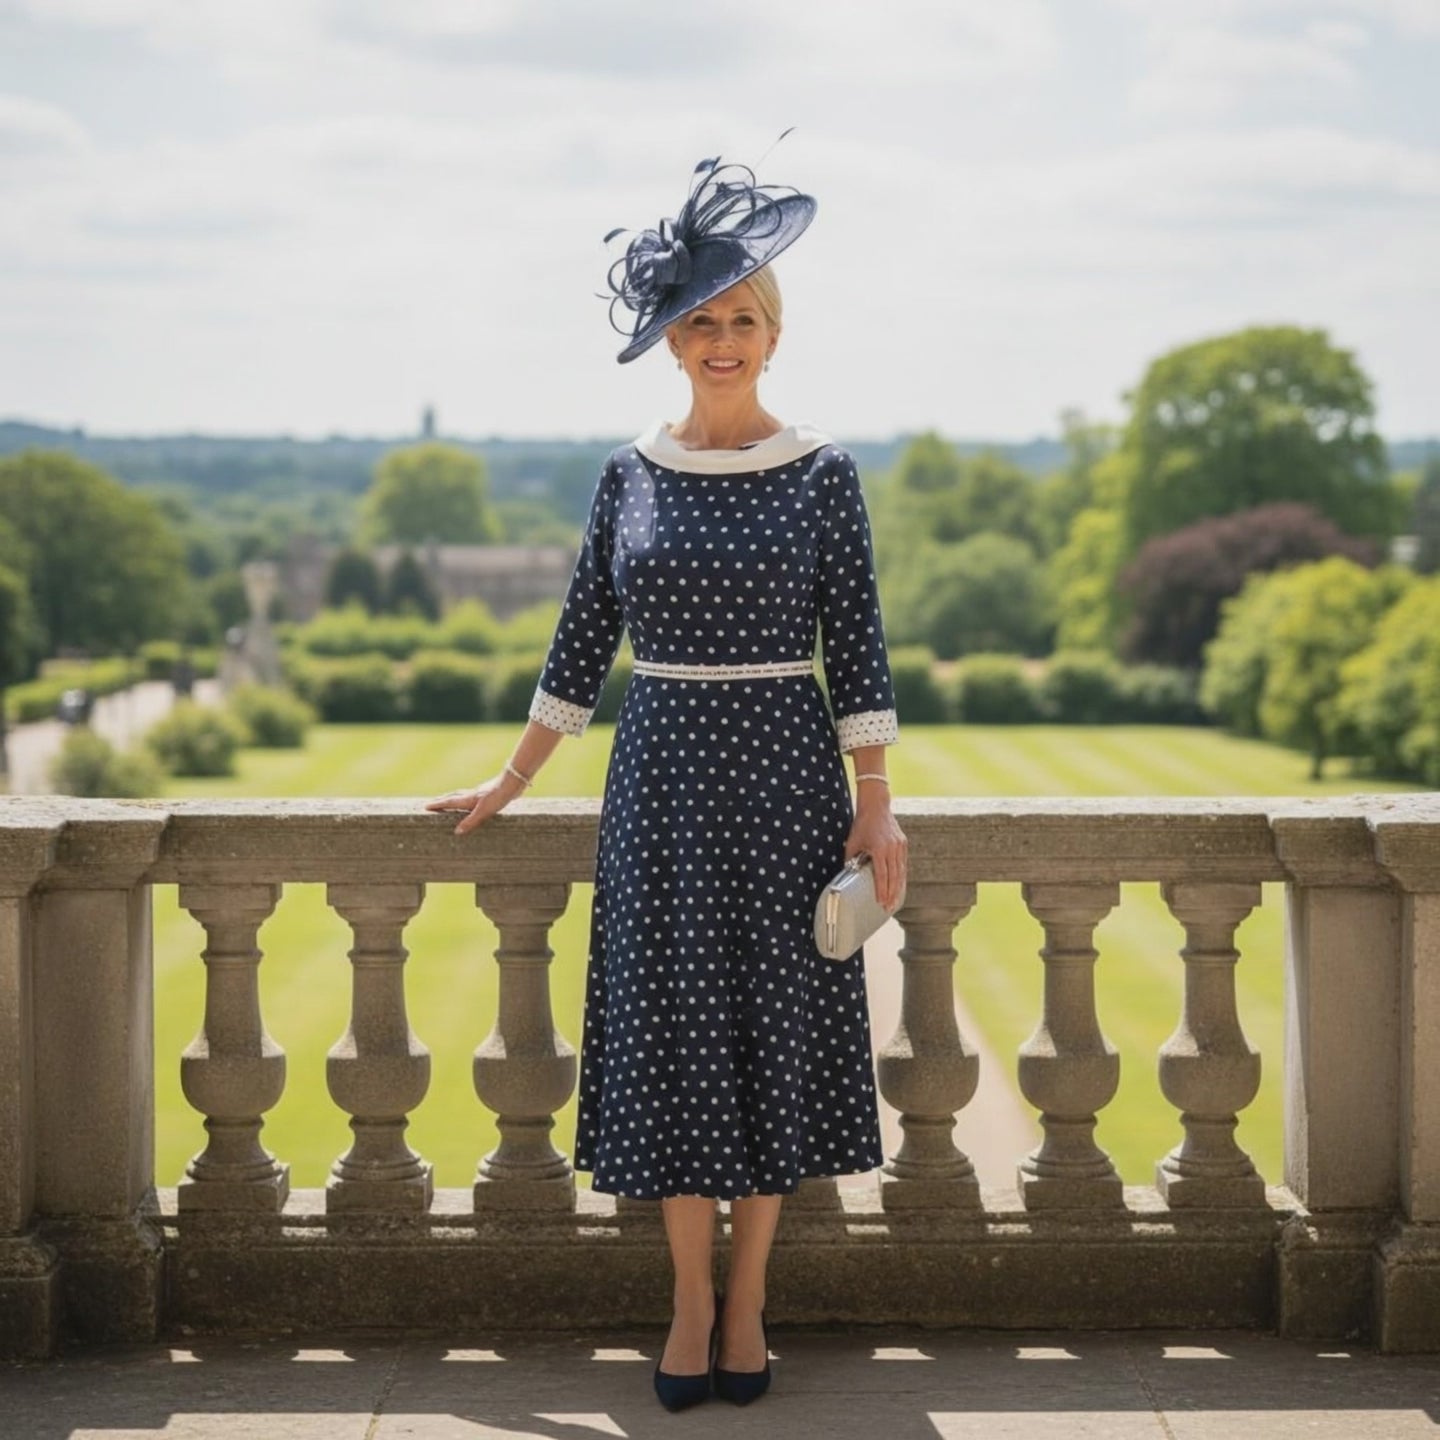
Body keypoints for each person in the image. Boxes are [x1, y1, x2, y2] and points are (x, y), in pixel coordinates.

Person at [426, 147, 907, 1411]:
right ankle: (689, 1302)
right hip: (660, 790)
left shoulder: (826, 473)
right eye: (703, 320)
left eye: (745, 318)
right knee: (676, 1040)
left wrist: (878, 812)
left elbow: (856, 649)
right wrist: (511, 779)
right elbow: (581, 647)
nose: (725, 337)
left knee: (769, 1038)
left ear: (773, 334)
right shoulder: (627, 474)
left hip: (789, 790)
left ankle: (750, 1300)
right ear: (673, 340)